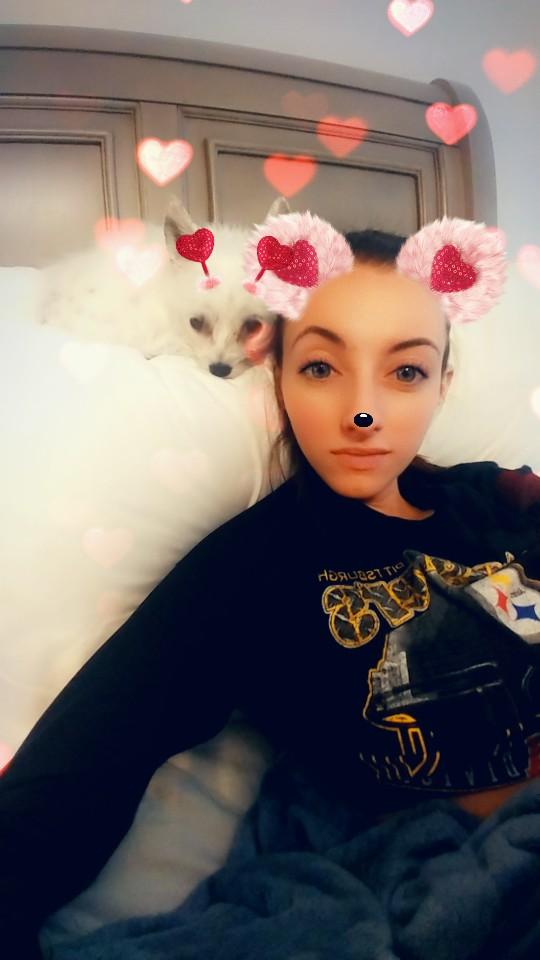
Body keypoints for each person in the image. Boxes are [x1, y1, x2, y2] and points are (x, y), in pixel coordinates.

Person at [1, 209, 539, 960]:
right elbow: (83, 766)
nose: (363, 411)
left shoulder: (504, 498)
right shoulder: (259, 564)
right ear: (277, 372)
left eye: (406, 371)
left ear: (442, 386)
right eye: (321, 367)